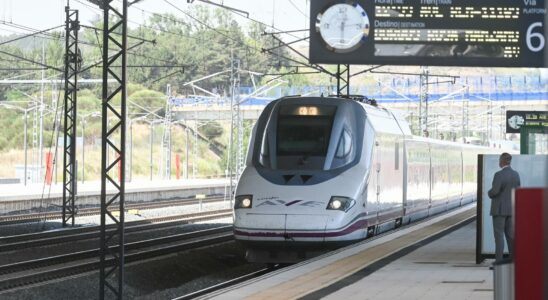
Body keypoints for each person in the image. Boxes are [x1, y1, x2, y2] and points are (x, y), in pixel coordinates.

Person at [488, 152, 521, 263]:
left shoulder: (499, 175)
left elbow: (495, 191)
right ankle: (513, 259)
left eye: (499, 161)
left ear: (502, 161)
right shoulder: (516, 174)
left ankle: (499, 261)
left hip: (499, 210)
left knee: (499, 236)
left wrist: (489, 193)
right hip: (512, 209)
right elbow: (518, 190)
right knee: (510, 236)